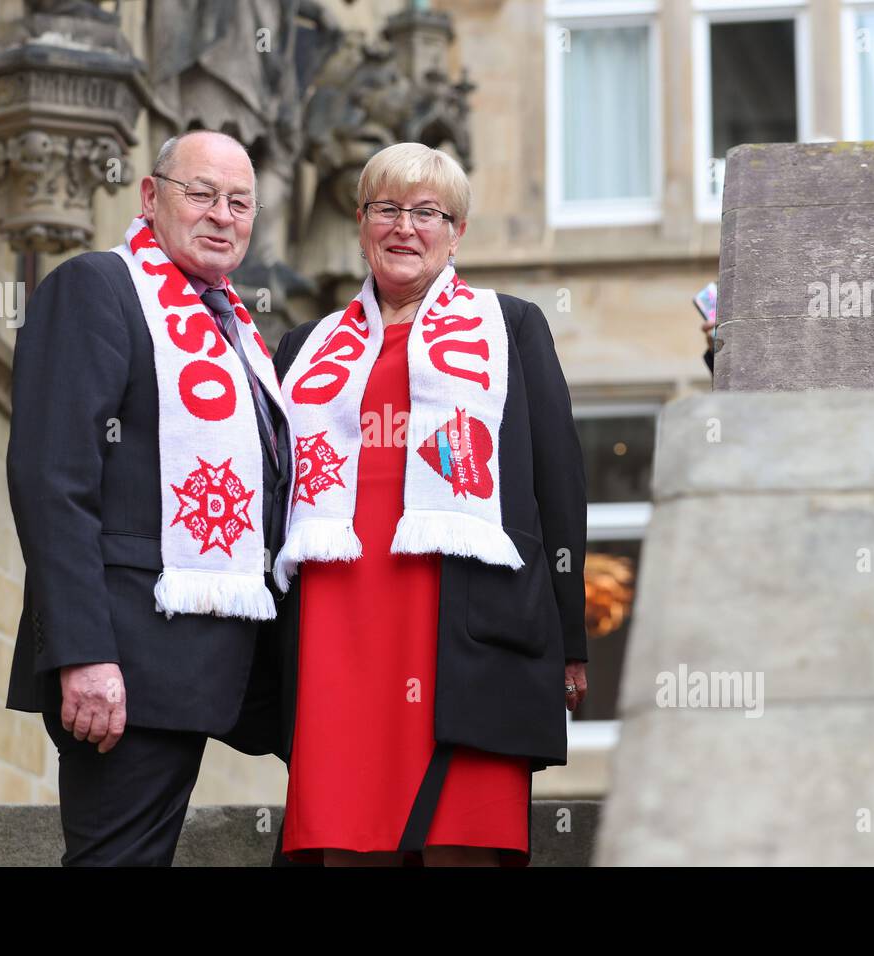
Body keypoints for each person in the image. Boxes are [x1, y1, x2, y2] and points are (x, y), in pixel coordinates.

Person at [270, 142, 588, 867]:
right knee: (347, 839)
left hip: (463, 623)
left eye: (427, 213)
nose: (404, 227)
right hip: (338, 624)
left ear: (457, 232)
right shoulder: (302, 345)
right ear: (361, 223)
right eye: (387, 209)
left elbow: (558, 485)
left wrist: (571, 640)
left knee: (460, 840)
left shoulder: (508, 327)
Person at [5, 130, 291, 866]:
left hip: (237, 650)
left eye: (239, 202)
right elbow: (52, 480)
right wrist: (84, 654)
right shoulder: (97, 287)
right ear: (150, 196)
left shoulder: (239, 333)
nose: (222, 215)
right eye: (201, 194)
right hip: (127, 661)